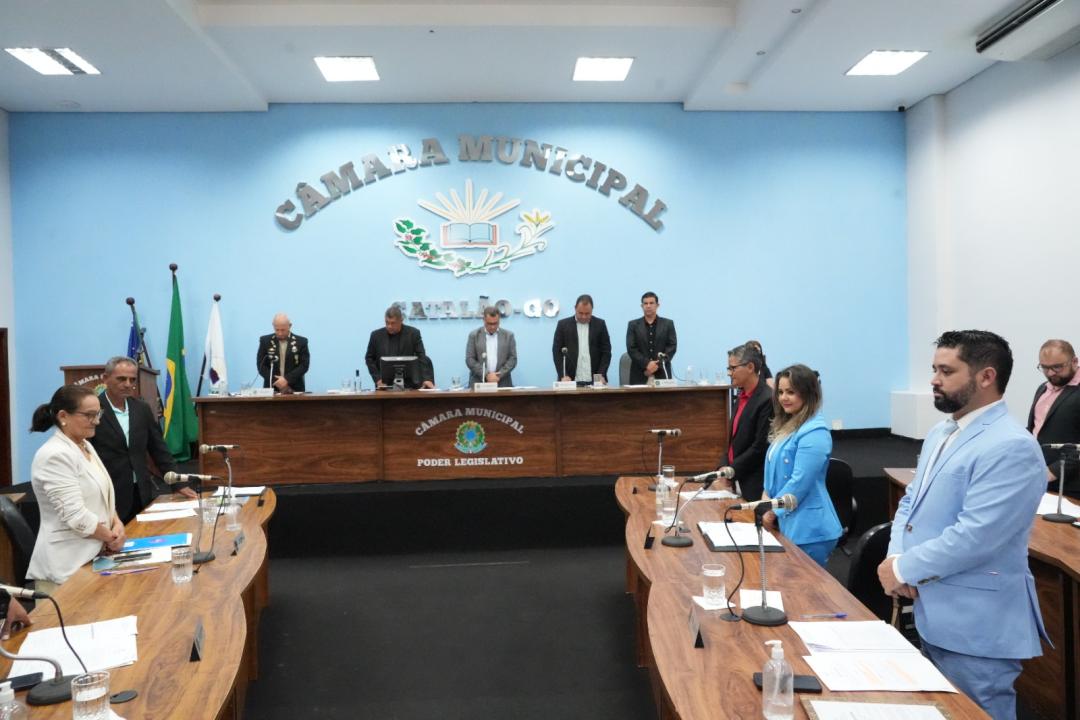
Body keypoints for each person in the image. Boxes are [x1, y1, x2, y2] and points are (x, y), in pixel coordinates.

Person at [879, 330, 1047, 720]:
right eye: (934, 369)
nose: (933, 380)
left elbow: (976, 537)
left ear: (986, 377)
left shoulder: (1012, 445)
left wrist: (903, 568)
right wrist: (896, 559)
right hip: (934, 608)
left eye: (946, 371)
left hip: (977, 624)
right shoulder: (943, 431)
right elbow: (911, 504)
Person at [27, 385, 125, 589]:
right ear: (63, 416)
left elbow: (103, 496)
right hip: (66, 568)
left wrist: (117, 523)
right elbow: (75, 516)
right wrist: (111, 537)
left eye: (98, 414)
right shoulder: (55, 454)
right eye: (89, 415)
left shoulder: (85, 445)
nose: (97, 421)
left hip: (93, 560)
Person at [91, 356, 195, 523]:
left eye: (132, 379)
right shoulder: (93, 409)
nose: (128, 384)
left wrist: (178, 483)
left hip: (141, 491)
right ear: (105, 378)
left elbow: (159, 450)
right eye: (121, 379)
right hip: (108, 495)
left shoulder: (141, 408)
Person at [760, 364, 841, 568]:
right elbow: (774, 471)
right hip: (788, 520)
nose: (783, 398)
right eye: (780, 392)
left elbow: (799, 482)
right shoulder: (789, 425)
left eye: (791, 392)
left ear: (807, 393)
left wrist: (771, 510)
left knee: (804, 586)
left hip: (810, 530)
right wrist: (766, 495)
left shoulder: (815, 432)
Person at [1027, 338, 1080, 499]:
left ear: (1074, 362)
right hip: (1039, 480)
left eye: (1057, 367)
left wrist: (1052, 472)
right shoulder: (1042, 388)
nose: (1050, 373)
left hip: (1072, 487)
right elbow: (1036, 430)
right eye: (1045, 367)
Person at [722, 343, 773, 501]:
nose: (729, 373)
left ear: (750, 367)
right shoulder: (741, 395)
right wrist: (724, 464)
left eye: (733, 368)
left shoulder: (767, 399)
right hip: (736, 478)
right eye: (728, 368)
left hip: (754, 483)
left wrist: (732, 470)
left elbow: (760, 447)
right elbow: (734, 438)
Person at [365, 305, 435, 389]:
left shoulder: (413, 334)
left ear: (401, 321)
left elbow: (421, 357)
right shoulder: (376, 336)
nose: (389, 326)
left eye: (393, 323)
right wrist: (378, 379)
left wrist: (427, 379)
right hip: (384, 385)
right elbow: (369, 359)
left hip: (410, 385)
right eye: (387, 322)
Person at [552, 294, 612, 384]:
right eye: (580, 313)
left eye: (587, 314)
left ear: (592, 310)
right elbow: (557, 352)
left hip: (595, 381)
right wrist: (563, 375)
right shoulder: (563, 325)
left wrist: (600, 375)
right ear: (575, 308)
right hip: (569, 381)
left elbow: (606, 352)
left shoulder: (600, 325)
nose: (584, 317)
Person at [625, 291, 677, 385]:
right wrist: (647, 364)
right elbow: (631, 349)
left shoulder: (668, 324)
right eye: (645, 303)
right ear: (642, 306)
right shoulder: (633, 325)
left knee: (665, 396)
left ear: (657, 305)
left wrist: (657, 365)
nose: (648, 306)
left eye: (651, 303)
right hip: (640, 373)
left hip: (662, 373)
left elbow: (672, 347)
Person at [256, 313, 310, 393]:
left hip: (295, 388)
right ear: (273, 326)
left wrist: (287, 379)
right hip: (271, 388)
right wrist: (277, 381)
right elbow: (261, 365)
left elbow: (304, 365)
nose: (280, 333)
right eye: (277, 330)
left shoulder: (301, 342)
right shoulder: (265, 341)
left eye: (283, 330)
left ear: (290, 326)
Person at [465, 307, 517, 388]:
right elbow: (470, 359)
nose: (493, 327)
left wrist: (499, 374)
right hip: (479, 382)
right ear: (483, 320)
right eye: (489, 323)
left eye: (495, 323)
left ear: (499, 320)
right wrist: (486, 374)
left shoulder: (508, 336)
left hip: (503, 383)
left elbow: (513, 359)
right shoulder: (474, 335)